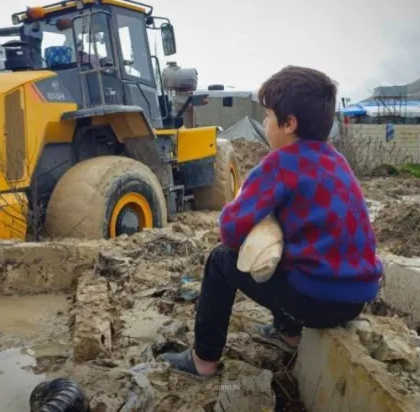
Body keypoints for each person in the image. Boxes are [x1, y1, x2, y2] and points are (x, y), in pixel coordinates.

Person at [159, 65, 384, 379]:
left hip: (314, 301)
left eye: (267, 116)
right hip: (357, 297)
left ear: (289, 123)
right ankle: (288, 334)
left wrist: (243, 208)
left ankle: (203, 360)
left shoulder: (279, 164)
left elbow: (231, 231)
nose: (264, 123)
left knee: (222, 260)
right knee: (295, 244)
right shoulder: (337, 160)